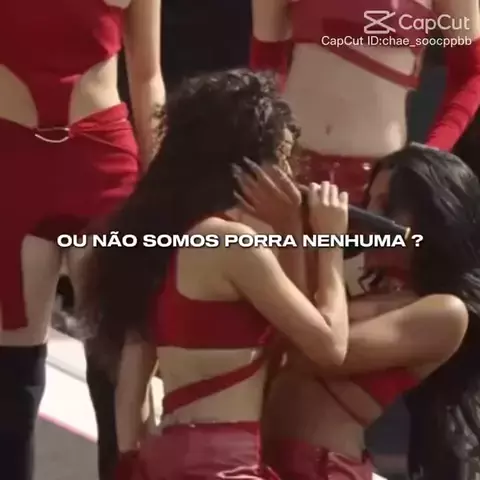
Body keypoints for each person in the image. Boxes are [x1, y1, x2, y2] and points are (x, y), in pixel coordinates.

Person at [79, 69, 351, 479]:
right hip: (226, 464)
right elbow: (329, 346)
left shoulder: (164, 240)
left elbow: (131, 394)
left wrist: (290, 229)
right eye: (280, 159)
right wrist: (330, 243)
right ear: (243, 166)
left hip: (168, 454)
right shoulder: (234, 244)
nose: (290, 177)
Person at [0, 0, 165, 479]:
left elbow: (148, 77)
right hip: (12, 164)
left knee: (121, 370)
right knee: (10, 378)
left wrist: (163, 191)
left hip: (105, 166)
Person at [260, 143, 476, 479]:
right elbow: (295, 322)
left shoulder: (446, 313)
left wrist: (326, 241)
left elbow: (313, 351)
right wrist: (293, 227)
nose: (369, 218)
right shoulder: (361, 291)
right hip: (271, 462)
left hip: (322, 470)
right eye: (368, 203)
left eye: (387, 207)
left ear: (433, 219)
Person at [250, 0, 480, 205]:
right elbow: (266, 66)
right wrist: (266, 150)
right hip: (291, 172)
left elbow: (471, 72)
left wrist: (432, 154)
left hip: (379, 188)